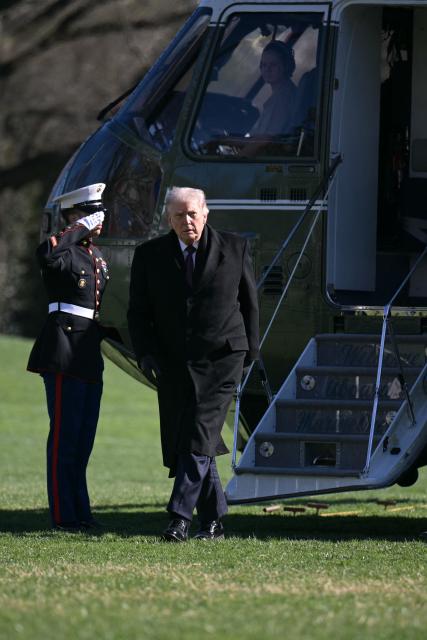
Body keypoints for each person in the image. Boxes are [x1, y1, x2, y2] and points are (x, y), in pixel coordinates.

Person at [127, 186, 259, 541]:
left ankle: (179, 518)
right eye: (179, 215)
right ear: (168, 219)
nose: (187, 221)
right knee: (192, 439)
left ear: (205, 213)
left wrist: (250, 353)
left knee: (199, 432)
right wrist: (146, 354)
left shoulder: (235, 248)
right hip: (174, 363)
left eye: (193, 213)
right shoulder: (150, 255)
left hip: (223, 358)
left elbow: (249, 305)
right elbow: (138, 314)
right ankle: (213, 520)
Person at [27, 183, 109, 531]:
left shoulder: (96, 258)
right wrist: (80, 227)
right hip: (63, 348)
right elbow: (46, 254)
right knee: (64, 436)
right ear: (76, 216)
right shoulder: (64, 252)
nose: (100, 221)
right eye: (93, 213)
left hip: (87, 352)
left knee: (83, 438)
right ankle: (64, 514)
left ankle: (81, 509)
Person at [251, 40, 297, 136]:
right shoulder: (286, 91)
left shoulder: (283, 97)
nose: (267, 69)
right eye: (264, 65)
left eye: (273, 65)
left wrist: (241, 152)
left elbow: (265, 140)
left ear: (286, 66)